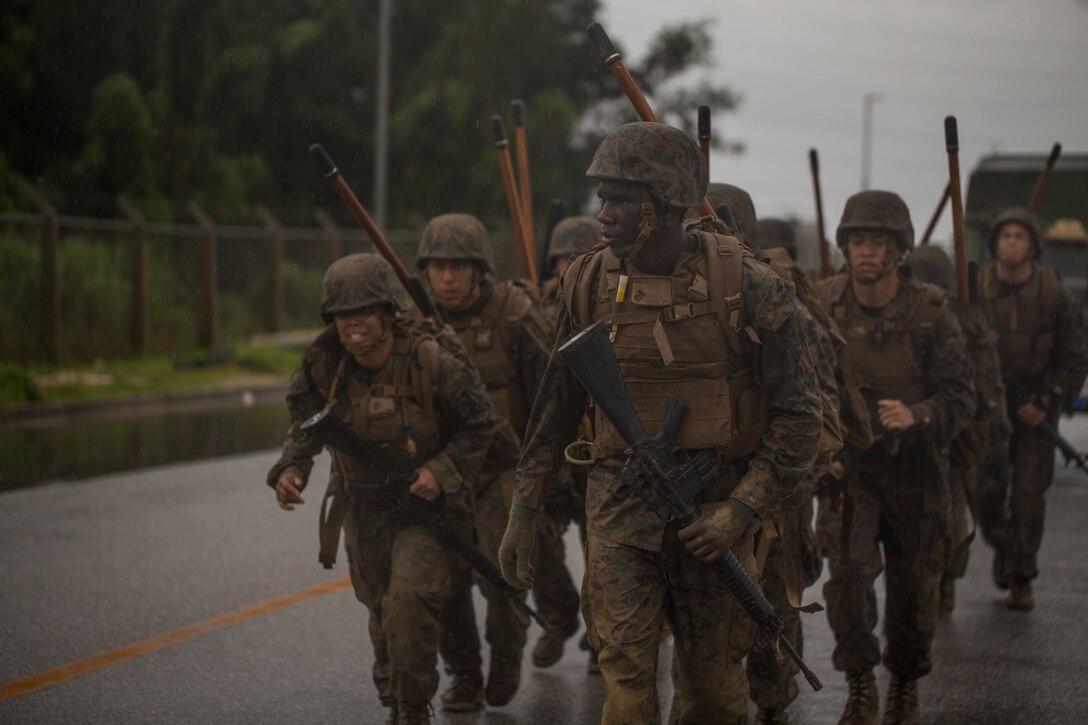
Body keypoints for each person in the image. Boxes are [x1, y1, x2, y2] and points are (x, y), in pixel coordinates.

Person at [499, 121, 823, 725]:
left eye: (620, 199)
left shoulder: (750, 288)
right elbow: (554, 410)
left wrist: (743, 508)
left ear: (664, 203)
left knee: (712, 691)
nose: (603, 214)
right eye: (603, 198)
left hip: (716, 512)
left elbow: (802, 417)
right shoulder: (589, 280)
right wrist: (524, 509)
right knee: (625, 675)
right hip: (620, 501)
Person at [265, 253, 499, 725]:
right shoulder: (324, 363)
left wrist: (441, 471)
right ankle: (396, 694)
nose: (353, 323)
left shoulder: (430, 360)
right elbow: (305, 424)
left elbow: (480, 424)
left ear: (389, 314)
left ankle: (413, 709)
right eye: (343, 315)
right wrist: (292, 468)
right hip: (365, 510)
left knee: (409, 603)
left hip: (423, 511)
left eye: (365, 312)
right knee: (382, 610)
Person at [813, 191, 976, 725]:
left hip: (916, 474)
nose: (865, 252)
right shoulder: (822, 305)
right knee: (850, 581)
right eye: (857, 240)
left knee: (915, 591)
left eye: (876, 242)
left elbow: (961, 399)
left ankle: (903, 684)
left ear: (898, 250)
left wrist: (919, 415)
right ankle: (861, 685)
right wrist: (823, 450)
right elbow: (799, 390)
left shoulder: (931, 314)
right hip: (851, 473)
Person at [415, 214, 554, 711]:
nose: (447, 278)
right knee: (447, 583)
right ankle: (464, 674)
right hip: (444, 472)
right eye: (437, 267)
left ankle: (506, 653)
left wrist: (549, 470)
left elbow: (552, 393)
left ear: (479, 269)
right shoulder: (416, 322)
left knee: (502, 574)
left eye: (458, 266)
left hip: (505, 466)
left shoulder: (515, 314)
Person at [976, 207, 1088, 611]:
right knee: (985, 492)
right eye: (1004, 235)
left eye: (1019, 236)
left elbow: (1075, 353)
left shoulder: (1053, 292)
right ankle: (1005, 547)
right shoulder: (977, 286)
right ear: (995, 243)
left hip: (1035, 412)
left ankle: (1023, 576)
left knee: (1028, 496)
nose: (1011, 242)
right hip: (988, 410)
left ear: (1033, 245)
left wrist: (1049, 399)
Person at [903, 245, 1009, 619]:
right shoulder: (908, 315)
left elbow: (986, 382)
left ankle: (943, 583)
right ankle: (932, 585)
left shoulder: (965, 321)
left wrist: (990, 432)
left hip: (953, 435)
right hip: (917, 431)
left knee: (946, 515)